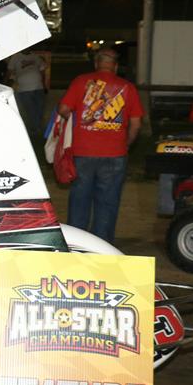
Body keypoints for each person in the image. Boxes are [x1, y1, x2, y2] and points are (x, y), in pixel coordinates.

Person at [57, 47, 143, 244]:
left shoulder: (81, 82)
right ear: (116, 66)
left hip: (83, 152)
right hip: (114, 154)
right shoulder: (128, 87)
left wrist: (80, 123)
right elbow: (136, 124)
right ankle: (101, 248)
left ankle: (77, 245)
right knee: (107, 203)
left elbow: (63, 108)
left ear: (96, 63)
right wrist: (126, 143)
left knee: (79, 200)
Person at [6, 49, 49, 141]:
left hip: (39, 87)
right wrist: (6, 83)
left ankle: (36, 130)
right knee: (31, 111)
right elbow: (9, 71)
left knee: (39, 110)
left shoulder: (36, 57)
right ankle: (35, 131)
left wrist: (44, 85)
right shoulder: (16, 57)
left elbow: (42, 71)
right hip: (24, 89)